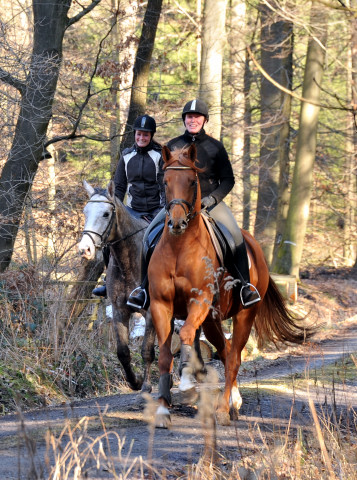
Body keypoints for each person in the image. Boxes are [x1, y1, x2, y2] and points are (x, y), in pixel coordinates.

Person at [126, 99, 261, 309]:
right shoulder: (172, 145)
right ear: (184, 120)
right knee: (148, 236)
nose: (193, 120)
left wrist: (213, 198)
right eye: (189, 117)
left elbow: (228, 179)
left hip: (210, 203)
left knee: (235, 236)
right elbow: (164, 178)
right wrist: (168, 204)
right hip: (177, 205)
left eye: (197, 117)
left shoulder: (215, 147)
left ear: (204, 120)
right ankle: (143, 289)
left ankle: (245, 287)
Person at [92, 114, 164, 297]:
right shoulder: (126, 155)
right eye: (139, 134)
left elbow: (164, 187)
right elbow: (119, 186)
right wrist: (113, 207)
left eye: (146, 135)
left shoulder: (160, 155)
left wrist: (158, 213)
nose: (141, 138)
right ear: (135, 134)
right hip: (132, 210)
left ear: (151, 135)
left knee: (156, 243)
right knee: (110, 238)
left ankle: (156, 283)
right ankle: (108, 281)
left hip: (156, 210)